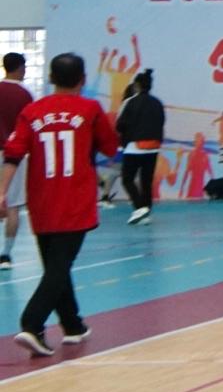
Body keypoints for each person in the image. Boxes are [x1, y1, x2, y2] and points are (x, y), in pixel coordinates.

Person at [2, 53, 118, 355]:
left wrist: (1, 192)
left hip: (41, 202)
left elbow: (13, 154)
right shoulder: (90, 109)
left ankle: (72, 325)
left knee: (57, 265)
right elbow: (110, 147)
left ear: (51, 78)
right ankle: (32, 324)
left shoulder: (32, 111)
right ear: (82, 79)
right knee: (58, 268)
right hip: (75, 202)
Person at [115, 70, 165, 226]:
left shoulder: (130, 102)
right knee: (146, 181)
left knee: (127, 179)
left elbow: (120, 125)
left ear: (136, 85)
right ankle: (146, 211)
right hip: (153, 147)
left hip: (134, 147)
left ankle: (139, 208)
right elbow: (161, 122)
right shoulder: (157, 103)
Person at [0, 51, 31, 269]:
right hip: (15, 156)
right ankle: (5, 255)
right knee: (13, 206)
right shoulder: (26, 94)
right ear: (20, 68)